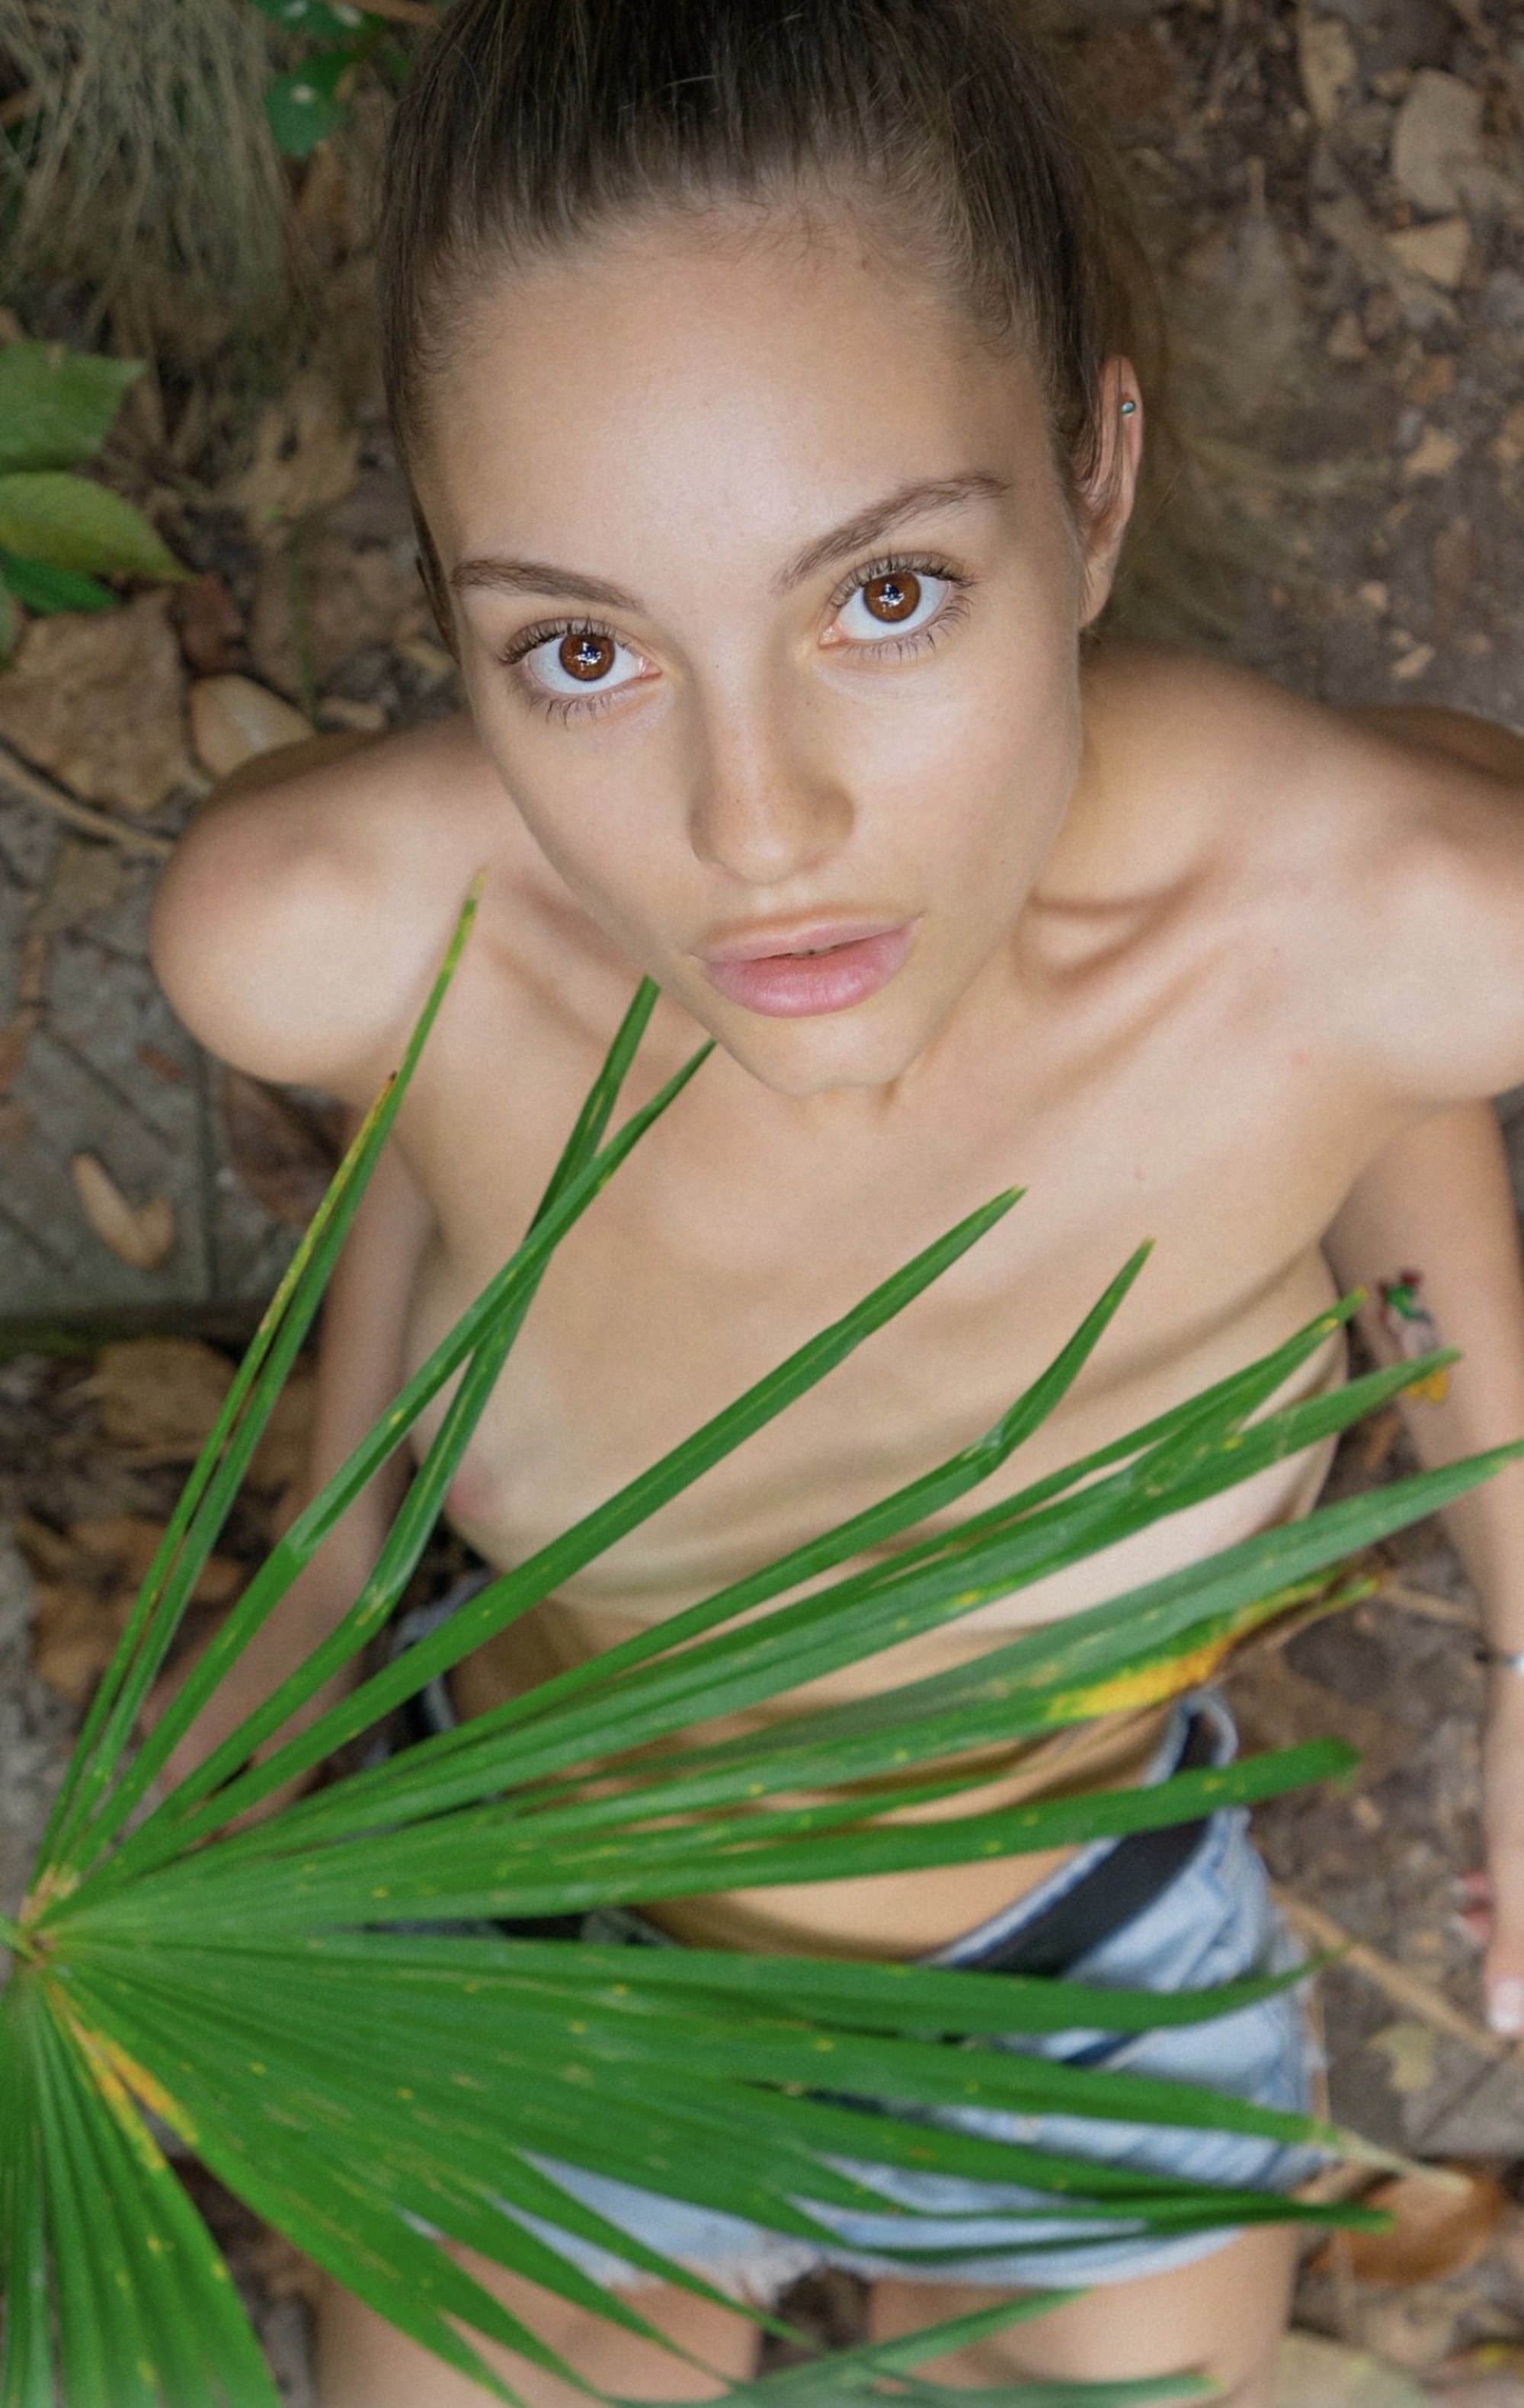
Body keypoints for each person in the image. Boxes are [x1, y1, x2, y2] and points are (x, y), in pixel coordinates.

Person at [148, 2, 1524, 2400]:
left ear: (1093, 483)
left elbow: (1383, 1054)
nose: (754, 829)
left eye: (883, 595)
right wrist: (333, 1559)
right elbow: (427, 1138)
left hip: (1081, 1965)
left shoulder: (1374, 929)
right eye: (583, 649)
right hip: (545, 1911)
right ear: (453, 601)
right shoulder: (346, 938)